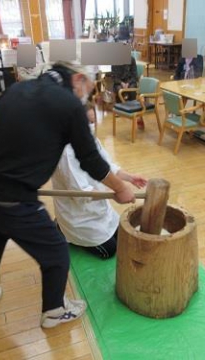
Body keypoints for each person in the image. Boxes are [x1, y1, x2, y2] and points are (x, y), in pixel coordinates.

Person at [0, 61, 137, 329]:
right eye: (87, 91)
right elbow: (90, 159)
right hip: (12, 198)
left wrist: (120, 178)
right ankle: (54, 311)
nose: (86, 99)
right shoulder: (68, 105)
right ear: (78, 79)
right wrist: (121, 188)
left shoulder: (16, 91)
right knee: (56, 251)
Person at [51, 106, 147, 259]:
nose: (91, 126)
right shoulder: (66, 153)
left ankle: (62, 226)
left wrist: (130, 177)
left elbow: (107, 167)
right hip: (79, 216)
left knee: (123, 236)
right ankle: (63, 229)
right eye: (86, 123)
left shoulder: (87, 139)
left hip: (98, 208)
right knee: (110, 251)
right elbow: (82, 193)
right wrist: (114, 194)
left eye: (93, 121)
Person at [111, 56, 141, 127]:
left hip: (130, 81)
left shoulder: (132, 59)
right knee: (119, 89)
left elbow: (135, 75)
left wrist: (128, 83)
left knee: (132, 88)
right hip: (119, 82)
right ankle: (120, 108)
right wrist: (121, 83)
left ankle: (132, 107)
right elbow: (114, 77)